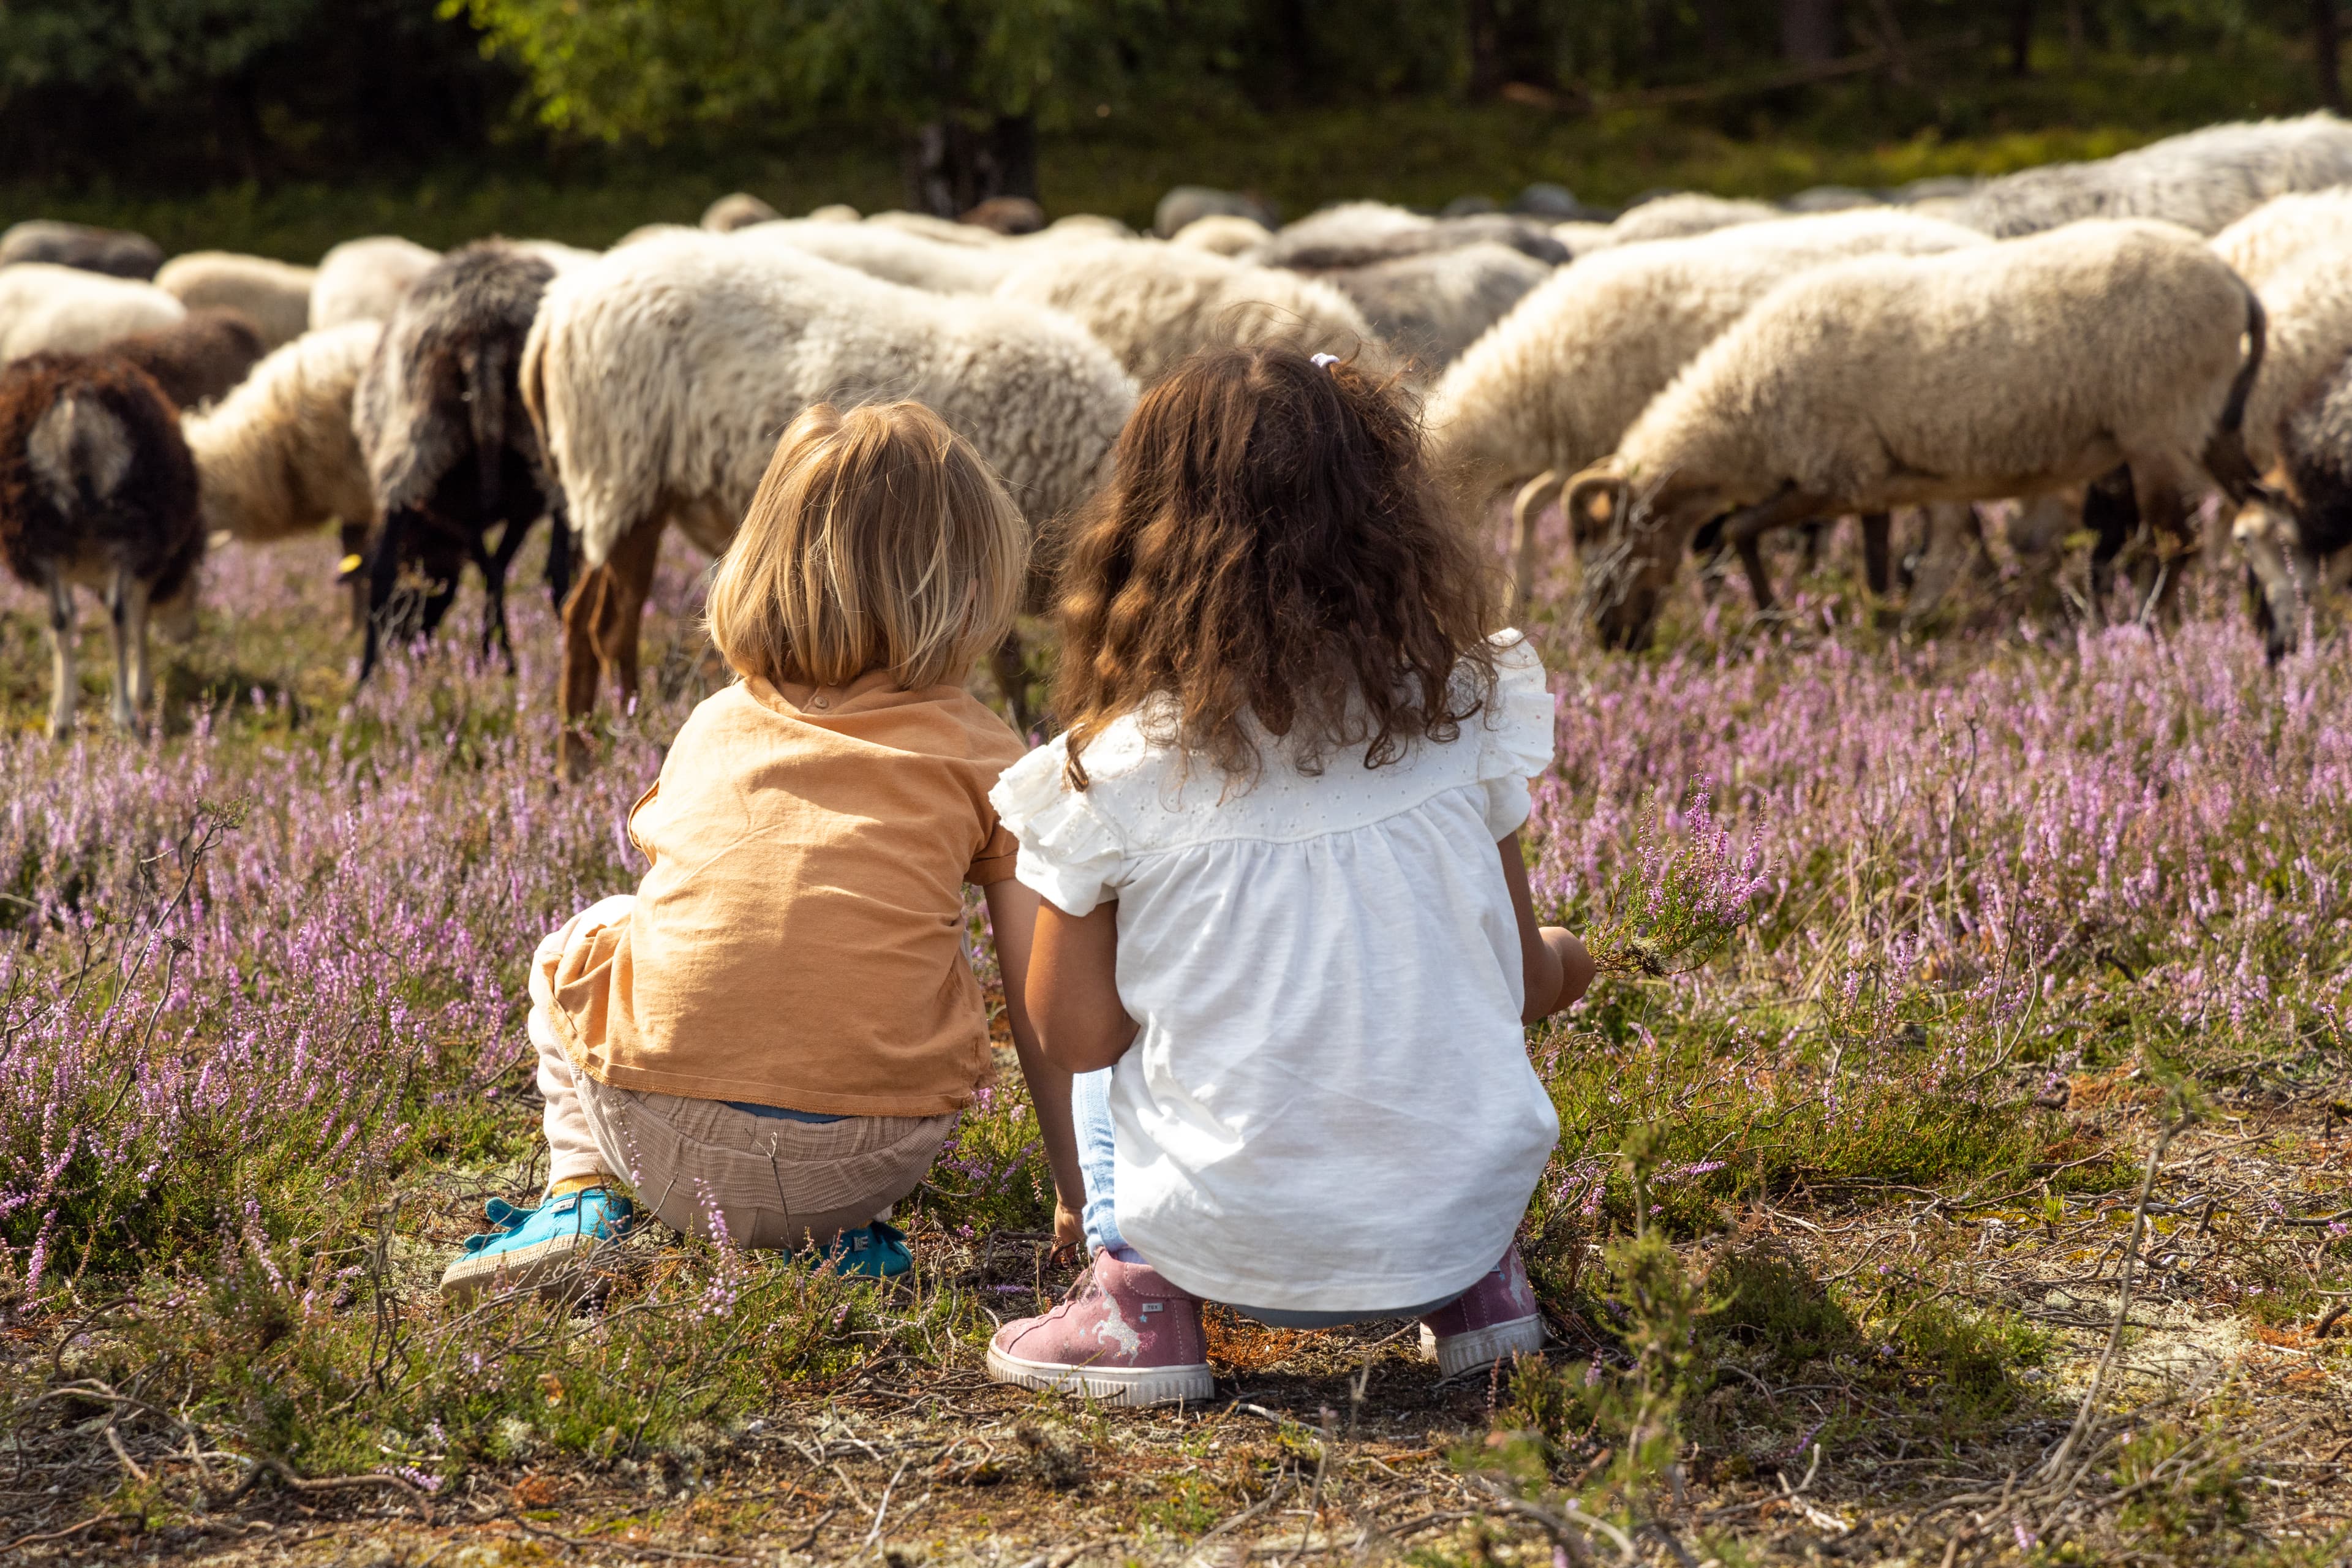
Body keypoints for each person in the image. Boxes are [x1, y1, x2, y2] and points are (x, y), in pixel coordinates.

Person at [983, 346, 1593, 1406]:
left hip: (1219, 1240)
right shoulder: (1461, 716)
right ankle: (1483, 1298)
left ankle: (1137, 1311)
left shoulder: (1115, 773)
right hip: (1452, 1233)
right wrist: (1568, 959)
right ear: (1391, 527)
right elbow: (1521, 980)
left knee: (1103, 1052)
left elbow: (1075, 1040)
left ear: (1147, 541)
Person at [442, 401, 1083, 1302]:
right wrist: (1079, 1194)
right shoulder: (986, 752)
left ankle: (581, 1195)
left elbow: (699, 927)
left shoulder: (714, 723)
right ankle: (832, 1242)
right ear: (969, 589)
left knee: (586, 938)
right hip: (866, 1159)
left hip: (658, 1144)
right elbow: (1041, 1003)